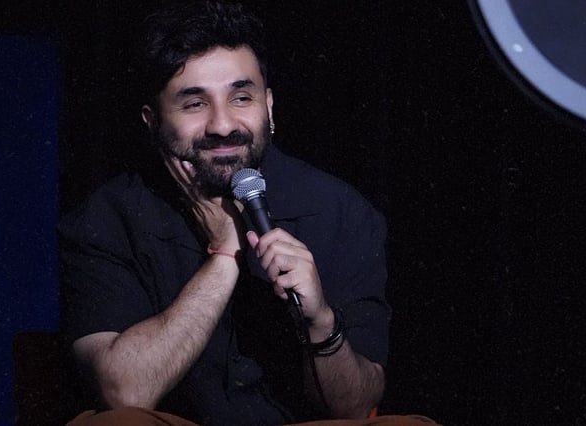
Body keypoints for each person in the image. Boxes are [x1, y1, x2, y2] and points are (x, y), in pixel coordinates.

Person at [59, 1, 438, 425]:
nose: (223, 125)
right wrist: (224, 257)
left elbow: (354, 407)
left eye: (241, 98)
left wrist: (320, 321)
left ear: (269, 108)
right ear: (153, 121)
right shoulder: (108, 218)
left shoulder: (340, 212)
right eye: (194, 104)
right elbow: (126, 393)